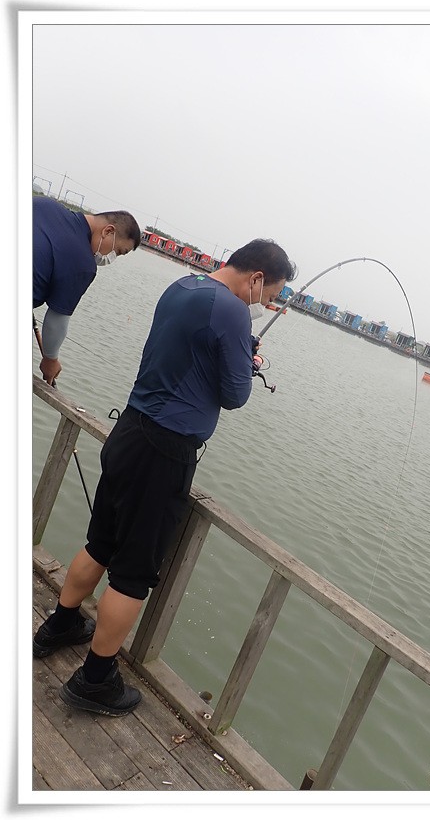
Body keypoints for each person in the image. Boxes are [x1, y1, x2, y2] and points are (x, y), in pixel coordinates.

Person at [33, 238, 297, 716]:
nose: (266, 303)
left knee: (101, 542)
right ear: (257, 278)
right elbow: (235, 395)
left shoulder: (183, 286)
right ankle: (95, 680)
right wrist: (248, 359)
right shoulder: (233, 311)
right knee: (133, 574)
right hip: (164, 452)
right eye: (271, 294)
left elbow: (190, 354)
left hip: (130, 430)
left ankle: (60, 625)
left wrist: (238, 351)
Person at [33, 195, 142, 384]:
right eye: (118, 251)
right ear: (108, 231)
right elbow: (56, 321)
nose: (111, 257)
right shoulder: (83, 264)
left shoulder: (44, 204)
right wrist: (50, 359)